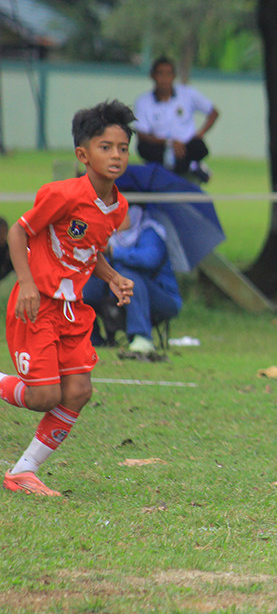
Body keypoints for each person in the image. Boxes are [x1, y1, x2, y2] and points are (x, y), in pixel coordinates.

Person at [0, 100, 136, 497]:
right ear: (83, 155)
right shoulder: (62, 194)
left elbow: (88, 251)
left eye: (122, 148)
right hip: (37, 304)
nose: (115, 155)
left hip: (71, 310)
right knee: (44, 396)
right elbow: (18, 232)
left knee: (78, 391)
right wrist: (26, 283)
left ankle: (23, 472)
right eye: (105, 147)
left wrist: (112, 277)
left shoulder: (117, 206)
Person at [82, 205, 182, 354]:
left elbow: (149, 259)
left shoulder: (149, 232)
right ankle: (90, 337)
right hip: (118, 293)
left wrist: (113, 252)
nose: (114, 220)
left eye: (119, 215)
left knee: (128, 277)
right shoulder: (110, 235)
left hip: (162, 298)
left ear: (133, 214)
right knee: (87, 283)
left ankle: (142, 336)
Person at [134, 56, 219, 183]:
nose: (164, 79)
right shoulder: (143, 101)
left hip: (186, 146)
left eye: (168, 74)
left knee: (198, 147)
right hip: (161, 145)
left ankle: (181, 166)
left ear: (174, 76)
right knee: (144, 147)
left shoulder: (187, 93)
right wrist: (169, 142)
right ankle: (192, 167)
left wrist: (200, 134)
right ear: (152, 76)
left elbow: (213, 112)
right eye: (160, 74)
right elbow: (142, 133)